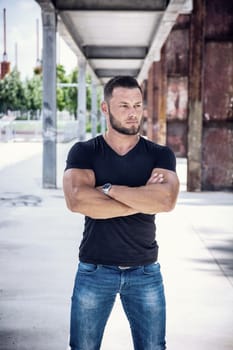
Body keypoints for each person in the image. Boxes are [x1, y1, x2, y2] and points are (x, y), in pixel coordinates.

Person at [63, 75, 179, 350]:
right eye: (124, 106)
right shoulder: (84, 152)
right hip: (94, 270)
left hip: (145, 271)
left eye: (137, 105)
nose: (133, 113)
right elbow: (77, 200)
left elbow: (165, 201)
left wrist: (106, 189)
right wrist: (141, 197)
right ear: (105, 108)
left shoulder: (159, 154)